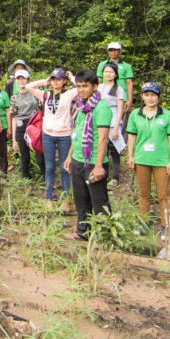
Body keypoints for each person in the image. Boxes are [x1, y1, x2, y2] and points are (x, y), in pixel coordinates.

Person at [63, 69, 113, 241]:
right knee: (81, 199)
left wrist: (99, 166)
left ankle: (104, 236)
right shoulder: (80, 106)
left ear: (95, 86)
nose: (81, 90)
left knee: (99, 201)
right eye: (78, 86)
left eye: (85, 86)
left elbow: (103, 139)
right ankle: (82, 231)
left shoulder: (101, 108)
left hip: (93, 163)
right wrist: (70, 156)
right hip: (78, 160)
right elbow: (75, 132)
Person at [127, 82, 170, 232]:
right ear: (142, 96)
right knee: (143, 193)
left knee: (163, 194)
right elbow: (132, 136)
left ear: (159, 97)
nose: (150, 98)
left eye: (153, 95)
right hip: (141, 159)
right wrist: (130, 156)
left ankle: (165, 225)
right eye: (147, 95)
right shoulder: (135, 114)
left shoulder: (167, 115)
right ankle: (144, 224)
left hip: (161, 160)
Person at [28, 69, 78, 210]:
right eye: (53, 79)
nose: (56, 82)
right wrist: (45, 81)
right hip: (48, 135)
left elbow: (82, 86)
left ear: (64, 81)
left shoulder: (68, 95)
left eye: (59, 79)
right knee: (49, 167)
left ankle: (65, 200)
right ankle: (49, 198)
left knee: (64, 168)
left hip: (64, 135)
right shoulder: (45, 94)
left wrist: (72, 77)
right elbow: (28, 86)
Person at [9, 69, 45, 180]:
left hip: (34, 125)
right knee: (24, 155)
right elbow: (14, 118)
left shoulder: (35, 94)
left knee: (39, 153)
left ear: (28, 80)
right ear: (15, 81)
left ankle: (45, 176)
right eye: (18, 79)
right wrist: (14, 139)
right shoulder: (14, 98)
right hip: (21, 126)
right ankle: (26, 179)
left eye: (23, 78)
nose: (21, 81)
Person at [98, 62, 127, 189]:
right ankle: (103, 176)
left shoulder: (119, 89)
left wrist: (116, 128)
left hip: (113, 121)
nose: (108, 74)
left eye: (111, 72)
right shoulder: (99, 87)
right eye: (106, 71)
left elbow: (120, 110)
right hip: (101, 121)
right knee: (102, 151)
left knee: (114, 151)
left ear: (115, 74)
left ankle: (115, 178)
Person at [96, 42, 134, 113]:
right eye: (111, 50)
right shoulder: (102, 64)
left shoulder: (126, 66)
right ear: (108, 51)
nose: (113, 52)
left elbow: (129, 83)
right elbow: (99, 82)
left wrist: (130, 100)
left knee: (121, 120)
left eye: (115, 50)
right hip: (105, 96)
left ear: (120, 51)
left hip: (122, 97)